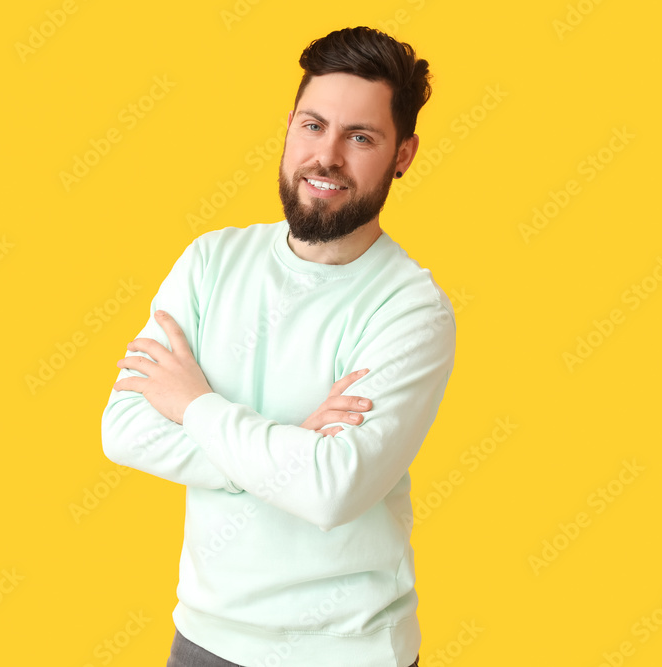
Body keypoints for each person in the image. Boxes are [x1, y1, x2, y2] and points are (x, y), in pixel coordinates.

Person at [101, 26, 453, 667]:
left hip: (348, 652)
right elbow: (123, 428)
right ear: (290, 124)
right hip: (204, 641)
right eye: (314, 126)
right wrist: (292, 442)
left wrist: (195, 407)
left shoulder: (410, 308)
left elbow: (332, 491)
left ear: (403, 154)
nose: (328, 157)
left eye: (362, 137)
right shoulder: (211, 262)